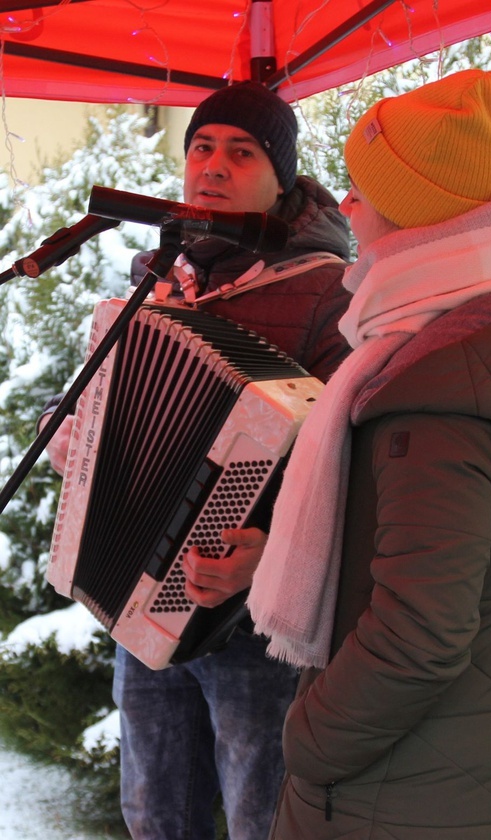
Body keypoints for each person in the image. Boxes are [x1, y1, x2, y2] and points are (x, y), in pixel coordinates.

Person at [245, 68, 491, 839]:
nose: (345, 205)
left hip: (404, 788)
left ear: (418, 221)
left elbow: (418, 636)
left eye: (364, 191)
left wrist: (309, 741)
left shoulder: (437, 386)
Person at [40, 80, 351, 840]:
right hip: (139, 599)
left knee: (260, 815)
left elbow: (350, 461)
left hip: (252, 619)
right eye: (202, 147)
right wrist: (66, 432)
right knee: (155, 814)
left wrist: (269, 550)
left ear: (280, 177)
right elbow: (93, 397)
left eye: (242, 153)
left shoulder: (327, 293)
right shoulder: (160, 276)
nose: (213, 164)